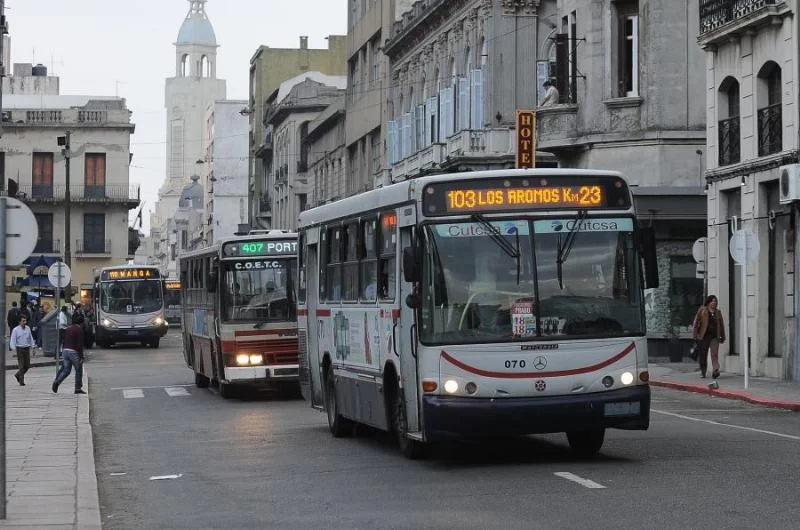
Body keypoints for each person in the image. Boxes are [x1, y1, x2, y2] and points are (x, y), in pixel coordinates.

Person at [693, 295, 726, 379]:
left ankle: (715, 371)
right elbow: (696, 322)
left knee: (714, 354)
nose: (714, 302)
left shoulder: (718, 312)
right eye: (712, 301)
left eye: (715, 301)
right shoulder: (702, 310)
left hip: (715, 336)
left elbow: (721, 325)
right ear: (708, 302)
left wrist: (723, 336)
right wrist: (694, 334)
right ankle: (703, 371)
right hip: (703, 336)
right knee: (703, 355)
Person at [53, 312, 86, 394]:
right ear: (81, 323)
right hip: (73, 352)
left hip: (65, 350)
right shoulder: (79, 330)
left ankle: (57, 382)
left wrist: (62, 350)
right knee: (78, 369)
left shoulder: (68, 328)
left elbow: (64, 340)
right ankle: (78, 388)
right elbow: (79, 344)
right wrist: (81, 357)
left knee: (66, 370)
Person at [10, 315, 35, 386]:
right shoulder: (15, 330)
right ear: (19, 322)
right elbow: (13, 340)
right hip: (19, 349)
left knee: (27, 366)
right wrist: (13, 349)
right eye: (23, 321)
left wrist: (33, 347)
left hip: (26, 348)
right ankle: (21, 381)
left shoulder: (28, 328)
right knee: (21, 366)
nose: (25, 322)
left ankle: (18, 375)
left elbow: (30, 338)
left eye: (25, 321)